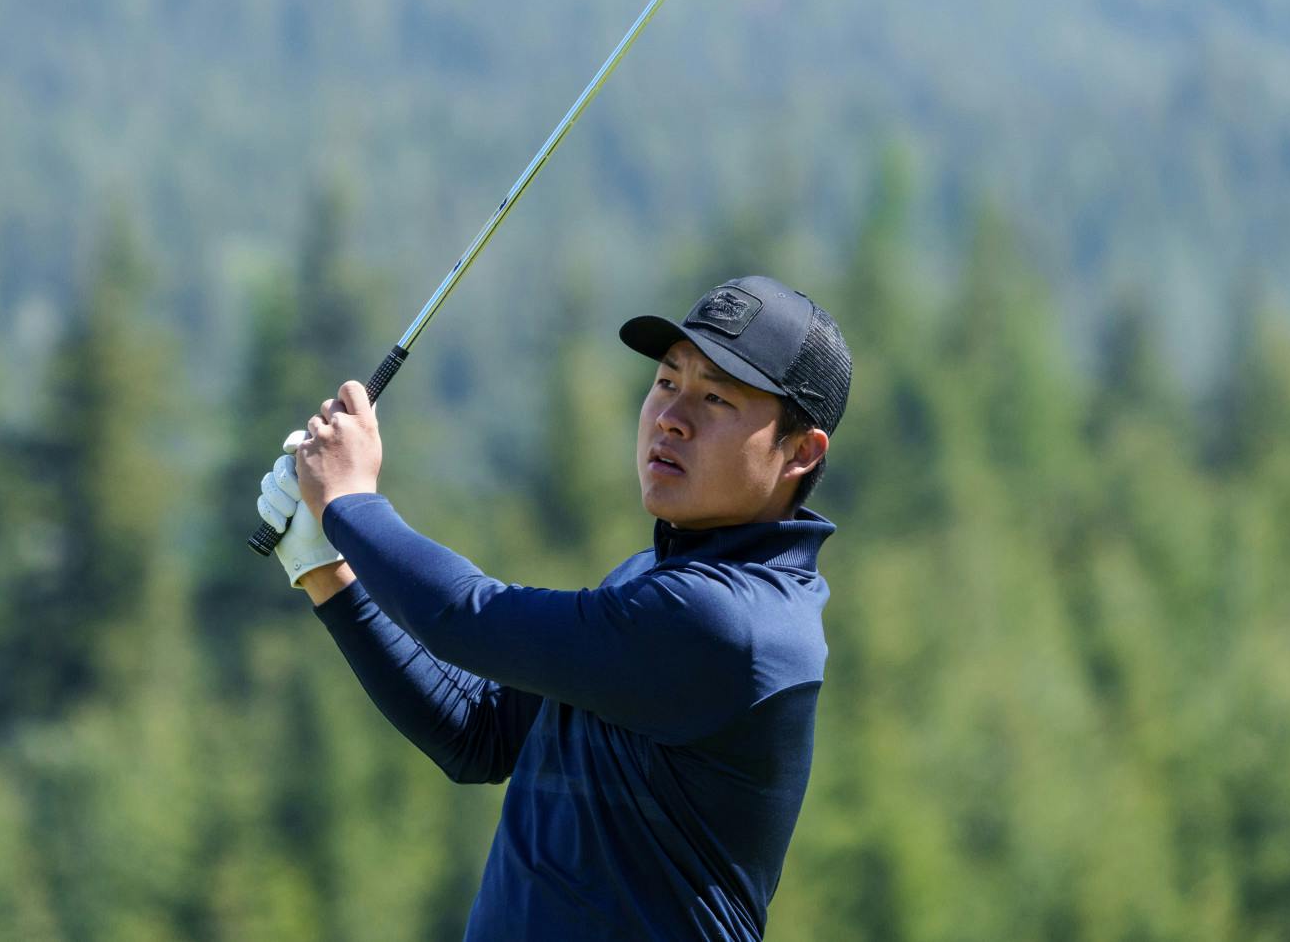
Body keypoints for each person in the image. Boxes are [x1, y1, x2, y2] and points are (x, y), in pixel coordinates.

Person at [253, 275, 853, 940]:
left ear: (801, 451)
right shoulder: (656, 578)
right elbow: (478, 731)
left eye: (715, 396)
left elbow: (465, 616)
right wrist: (327, 571)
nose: (672, 416)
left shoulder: (730, 623)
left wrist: (349, 501)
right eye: (666, 382)